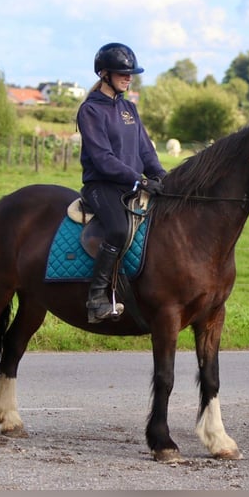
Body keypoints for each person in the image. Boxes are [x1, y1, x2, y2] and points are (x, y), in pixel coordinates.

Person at [77, 42, 167, 323]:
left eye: (131, 73)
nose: (129, 77)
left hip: (131, 184)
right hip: (102, 186)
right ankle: (97, 299)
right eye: (122, 73)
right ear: (104, 74)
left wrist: (161, 176)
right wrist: (137, 180)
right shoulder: (90, 110)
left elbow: (145, 151)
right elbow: (103, 158)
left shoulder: (129, 108)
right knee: (117, 229)